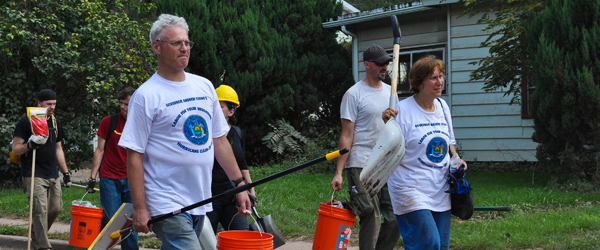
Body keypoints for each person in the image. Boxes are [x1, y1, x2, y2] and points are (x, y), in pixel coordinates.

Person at [118, 14, 251, 250]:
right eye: (176, 43)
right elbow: (134, 156)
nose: (184, 48)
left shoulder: (204, 86)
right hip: (165, 201)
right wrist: (139, 208)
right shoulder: (146, 95)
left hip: (199, 198)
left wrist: (239, 186)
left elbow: (220, 142)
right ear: (156, 47)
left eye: (187, 42)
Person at [384, 55, 468, 250]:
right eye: (433, 78)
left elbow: (450, 145)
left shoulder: (443, 107)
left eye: (441, 76)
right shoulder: (402, 111)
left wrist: (457, 160)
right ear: (419, 83)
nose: (440, 82)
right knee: (429, 243)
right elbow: (387, 146)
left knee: (441, 246)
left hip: (439, 188)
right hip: (409, 188)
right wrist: (387, 123)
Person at [330, 44, 401, 250]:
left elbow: (399, 130)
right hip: (361, 162)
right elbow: (347, 134)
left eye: (387, 63)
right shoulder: (354, 94)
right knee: (371, 213)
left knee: (395, 216)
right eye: (380, 63)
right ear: (367, 65)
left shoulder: (392, 93)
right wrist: (339, 172)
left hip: (387, 162)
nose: (385, 67)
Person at [12, 89, 71, 250]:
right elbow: (15, 149)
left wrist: (65, 173)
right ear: (39, 104)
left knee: (56, 208)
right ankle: (43, 246)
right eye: (48, 104)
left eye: (54, 104)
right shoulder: (26, 122)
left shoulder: (55, 122)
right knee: (39, 210)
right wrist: (30, 145)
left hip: (52, 173)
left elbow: (59, 150)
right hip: (33, 173)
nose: (52, 107)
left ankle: (35, 234)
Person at [87, 86, 138, 250]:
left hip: (132, 179)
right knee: (113, 220)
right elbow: (99, 150)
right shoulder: (109, 122)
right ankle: (101, 245)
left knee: (131, 220)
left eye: (127, 104)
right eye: (121, 103)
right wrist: (92, 177)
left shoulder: (141, 124)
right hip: (109, 179)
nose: (123, 107)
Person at [206, 84, 256, 232]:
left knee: (242, 240)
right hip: (209, 198)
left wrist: (250, 190)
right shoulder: (203, 133)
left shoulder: (238, 133)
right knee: (204, 244)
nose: (215, 109)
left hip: (235, 197)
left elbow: (242, 164)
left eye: (220, 106)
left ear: (231, 111)